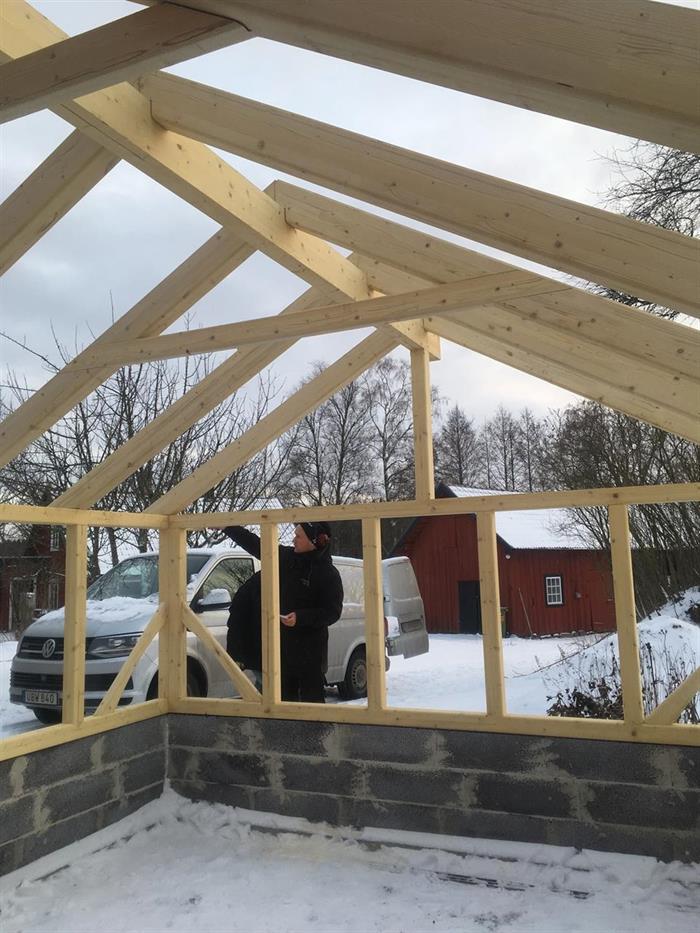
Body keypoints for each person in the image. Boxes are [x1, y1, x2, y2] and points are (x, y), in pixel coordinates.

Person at [223, 522, 343, 703]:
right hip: (281, 656)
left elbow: (332, 612)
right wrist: (227, 528)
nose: (294, 540)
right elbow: (256, 544)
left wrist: (300, 618)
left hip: (310, 658)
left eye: (298, 536)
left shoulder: (328, 574)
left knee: (313, 710)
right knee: (282, 709)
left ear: (313, 542)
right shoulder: (286, 558)